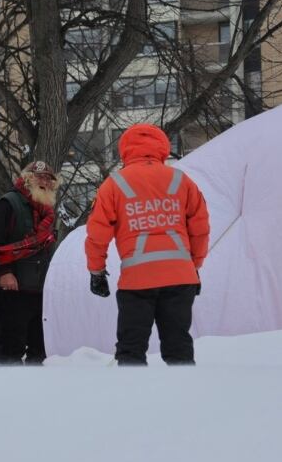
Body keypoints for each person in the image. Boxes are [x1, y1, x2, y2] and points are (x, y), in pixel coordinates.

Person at [85, 124, 209, 365]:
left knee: (131, 349)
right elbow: (201, 227)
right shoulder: (181, 180)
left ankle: (135, 400)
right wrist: (194, 266)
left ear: (125, 150)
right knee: (178, 347)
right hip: (180, 278)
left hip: (137, 280)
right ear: (163, 147)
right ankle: (185, 399)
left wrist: (96, 271)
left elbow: (97, 234)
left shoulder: (114, 184)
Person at [0, 161, 59, 364]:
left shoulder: (49, 212)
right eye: (39, 176)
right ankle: (10, 391)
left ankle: (36, 393)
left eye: (48, 179)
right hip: (12, 289)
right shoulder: (9, 203)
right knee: (11, 348)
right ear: (27, 178)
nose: (44, 182)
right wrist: (5, 272)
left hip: (40, 291)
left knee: (40, 350)